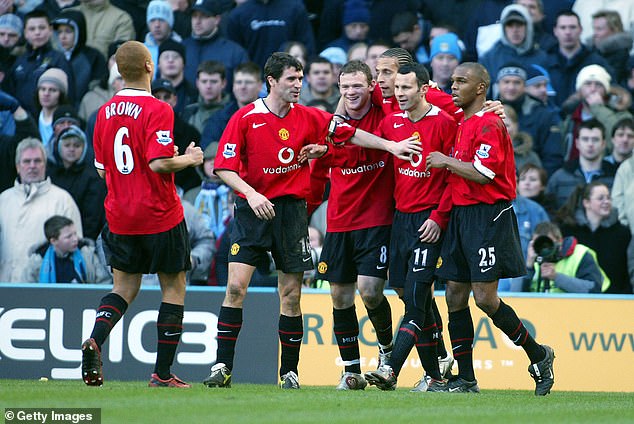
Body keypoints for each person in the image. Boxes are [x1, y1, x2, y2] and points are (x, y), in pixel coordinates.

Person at [202, 52, 418, 390]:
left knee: (290, 293)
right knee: (235, 286)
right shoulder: (245, 118)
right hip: (253, 210)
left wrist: (390, 147)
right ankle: (222, 367)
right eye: (291, 79)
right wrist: (252, 193)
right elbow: (224, 167)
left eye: (300, 79)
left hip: (291, 213)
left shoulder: (312, 116)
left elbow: (351, 133)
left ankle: (289, 372)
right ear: (271, 81)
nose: (298, 85)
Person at [426, 62, 555, 395]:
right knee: (454, 294)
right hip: (461, 215)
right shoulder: (462, 120)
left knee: (484, 298)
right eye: (452, 81)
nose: (453, 86)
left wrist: (444, 160)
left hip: (487, 217)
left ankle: (538, 355)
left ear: (481, 88)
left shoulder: (489, 124)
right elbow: (428, 93)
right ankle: (466, 379)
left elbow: (484, 173)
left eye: (461, 81)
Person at [81, 40, 203, 389]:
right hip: (159, 215)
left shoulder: (103, 112)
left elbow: (104, 170)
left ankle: (95, 340)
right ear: (150, 67)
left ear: (119, 71)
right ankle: (162, 374)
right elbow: (159, 162)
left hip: (119, 216)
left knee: (123, 288)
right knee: (174, 287)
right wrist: (190, 159)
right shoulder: (159, 109)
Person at [363, 63, 457, 393]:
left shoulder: (445, 124)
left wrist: (439, 217)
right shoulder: (392, 123)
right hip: (400, 221)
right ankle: (436, 375)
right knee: (407, 294)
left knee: (417, 298)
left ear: (424, 88)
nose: (400, 93)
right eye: (397, 88)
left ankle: (390, 369)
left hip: (429, 221)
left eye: (406, 87)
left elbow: (454, 177)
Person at [309, 61, 397, 390]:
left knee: (370, 290)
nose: (350, 93)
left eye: (357, 86)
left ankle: (387, 354)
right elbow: (320, 167)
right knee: (339, 296)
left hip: (376, 219)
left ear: (371, 86)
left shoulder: (384, 116)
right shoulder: (331, 126)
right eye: (344, 88)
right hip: (340, 221)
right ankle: (351, 370)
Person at [0, 137, 83, 282]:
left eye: (37, 161)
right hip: (5, 290)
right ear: (18, 166)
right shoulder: (3, 200)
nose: (32, 166)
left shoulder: (63, 200)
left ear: (45, 165)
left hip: (44, 293)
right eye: (26, 161)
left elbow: (76, 250)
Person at [557, 182, 633, 293]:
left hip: (615, 300)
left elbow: (628, 270)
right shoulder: (568, 231)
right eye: (600, 198)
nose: (606, 202)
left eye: (608, 198)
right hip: (576, 298)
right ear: (586, 203)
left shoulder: (623, 233)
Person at [4, 10, 74, 115]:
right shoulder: (19, 60)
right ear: (25, 33)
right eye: (32, 29)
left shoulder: (59, 59)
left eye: (42, 28)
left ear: (50, 30)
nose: (37, 32)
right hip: (21, 120)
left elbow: (69, 95)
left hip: (48, 119)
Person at [47, 124, 106, 241]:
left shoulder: (92, 177)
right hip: (52, 237)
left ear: (84, 148)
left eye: (77, 145)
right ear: (58, 147)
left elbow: (92, 217)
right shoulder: (49, 174)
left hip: (81, 238)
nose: (72, 149)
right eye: (67, 145)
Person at [547, 119, 617, 210]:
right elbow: (548, 209)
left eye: (595, 140)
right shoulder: (560, 177)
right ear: (577, 143)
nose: (590, 144)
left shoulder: (615, 177)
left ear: (603, 144)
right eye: (585, 139)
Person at [22, 215, 110, 284]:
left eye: (75, 234)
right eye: (69, 236)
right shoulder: (37, 260)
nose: (75, 239)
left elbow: (104, 282)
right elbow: (27, 290)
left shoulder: (88, 254)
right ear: (53, 241)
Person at [182, 0, 249, 89]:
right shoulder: (181, 48)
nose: (197, 21)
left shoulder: (235, 52)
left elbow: (244, 87)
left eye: (204, 16)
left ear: (217, 19)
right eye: (194, 16)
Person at [526, 221, 608, 293]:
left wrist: (556, 277)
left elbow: (594, 289)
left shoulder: (580, 254)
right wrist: (528, 268)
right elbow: (515, 294)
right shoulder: (533, 258)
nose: (544, 249)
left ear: (560, 241)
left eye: (548, 244)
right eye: (539, 244)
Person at [151, 78, 202, 192]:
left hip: (183, 193)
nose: (162, 101)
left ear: (175, 99)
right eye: (157, 97)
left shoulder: (191, 133)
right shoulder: (142, 129)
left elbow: (193, 174)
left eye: (167, 97)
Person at [52, 9, 107, 106]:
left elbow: (98, 90)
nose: (62, 37)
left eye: (68, 31)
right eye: (60, 32)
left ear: (79, 32)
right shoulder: (52, 56)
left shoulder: (94, 57)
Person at [201, 61, 262, 147]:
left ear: (260, 86)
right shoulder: (219, 118)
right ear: (233, 86)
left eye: (248, 82)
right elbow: (207, 147)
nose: (243, 87)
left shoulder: (271, 114)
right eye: (238, 82)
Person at [71, 0, 135, 59]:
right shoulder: (68, 15)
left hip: (105, 69)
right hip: (67, 69)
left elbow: (123, 57)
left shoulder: (121, 18)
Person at [182, 60, 229, 133]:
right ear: (197, 83)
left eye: (213, 82)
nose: (208, 86)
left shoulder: (233, 113)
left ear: (223, 83)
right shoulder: (188, 112)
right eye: (204, 81)